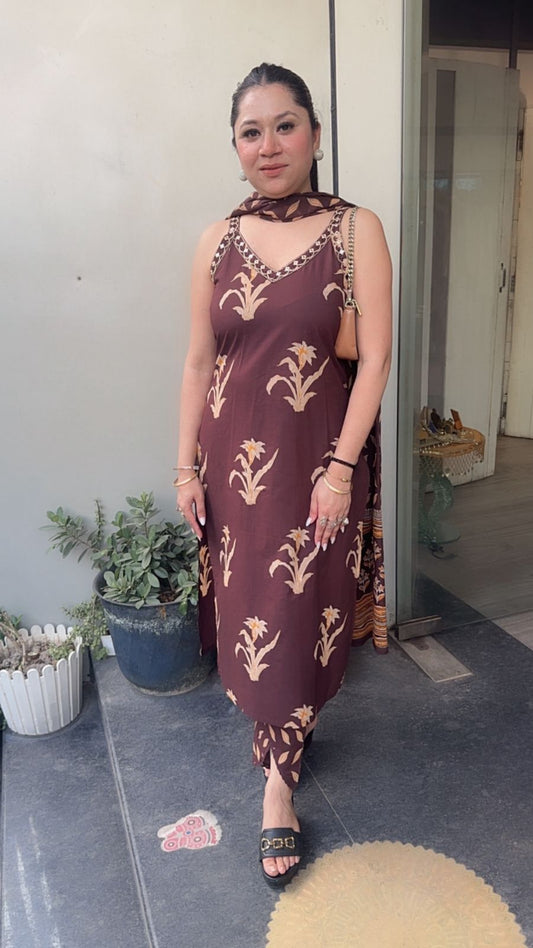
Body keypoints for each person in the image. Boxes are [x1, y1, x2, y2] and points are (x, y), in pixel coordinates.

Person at [175, 63, 392, 888]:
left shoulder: (353, 229)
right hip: (233, 470)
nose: (268, 145)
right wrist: (184, 464)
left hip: (312, 466)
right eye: (250, 131)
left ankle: (277, 786)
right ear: (235, 146)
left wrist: (339, 470)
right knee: (252, 617)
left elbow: (374, 359)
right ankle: (275, 733)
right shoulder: (216, 239)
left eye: (285, 125)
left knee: (300, 613)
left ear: (315, 134)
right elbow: (199, 361)